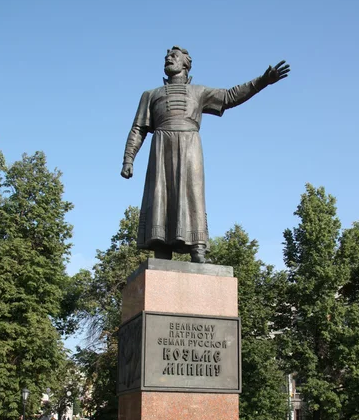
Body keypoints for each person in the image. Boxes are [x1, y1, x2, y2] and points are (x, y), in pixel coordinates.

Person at [121, 46, 290, 263]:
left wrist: (262, 81)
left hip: (190, 144)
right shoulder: (150, 95)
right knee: (160, 194)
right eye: (167, 56)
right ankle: (161, 249)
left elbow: (230, 96)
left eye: (174, 56)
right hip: (161, 147)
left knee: (192, 194)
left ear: (185, 63)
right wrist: (128, 158)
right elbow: (138, 128)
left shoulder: (199, 92)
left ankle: (197, 250)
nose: (168, 58)